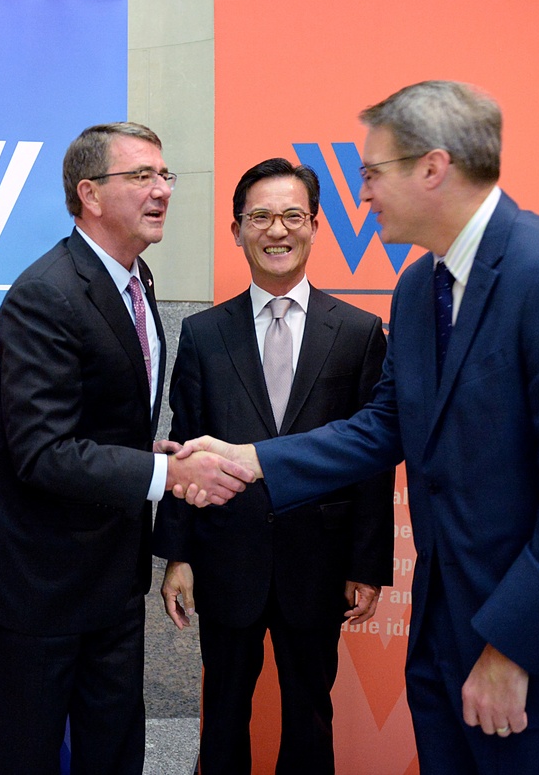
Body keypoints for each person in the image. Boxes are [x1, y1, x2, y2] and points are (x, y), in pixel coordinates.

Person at [178, 81, 539, 775]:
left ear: (433, 168)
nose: (364, 196)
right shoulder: (416, 289)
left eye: (372, 174)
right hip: (445, 633)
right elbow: (382, 427)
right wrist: (254, 459)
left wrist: (512, 646)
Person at [0, 122, 254, 774]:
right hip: (39, 587)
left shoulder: (137, 281)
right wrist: (166, 473)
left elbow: (93, 418)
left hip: (114, 580)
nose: (162, 190)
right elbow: (40, 450)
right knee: (23, 755)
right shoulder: (45, 295)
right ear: (89, 193)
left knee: (115, 751)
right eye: (142, 176)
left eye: (165, 174)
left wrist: (143, 450)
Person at [153, 158, 394, 774]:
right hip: (225, 556)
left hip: (319, 560)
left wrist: (367, 564)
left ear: (315, 226)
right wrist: (178, 556)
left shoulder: (360, 333)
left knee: (311, 717)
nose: (276, 230)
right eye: (260, 217)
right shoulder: (205, 334)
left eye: (292, 216)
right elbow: (184, 445)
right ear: (237, 230)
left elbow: (371, 455)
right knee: (224, 714)